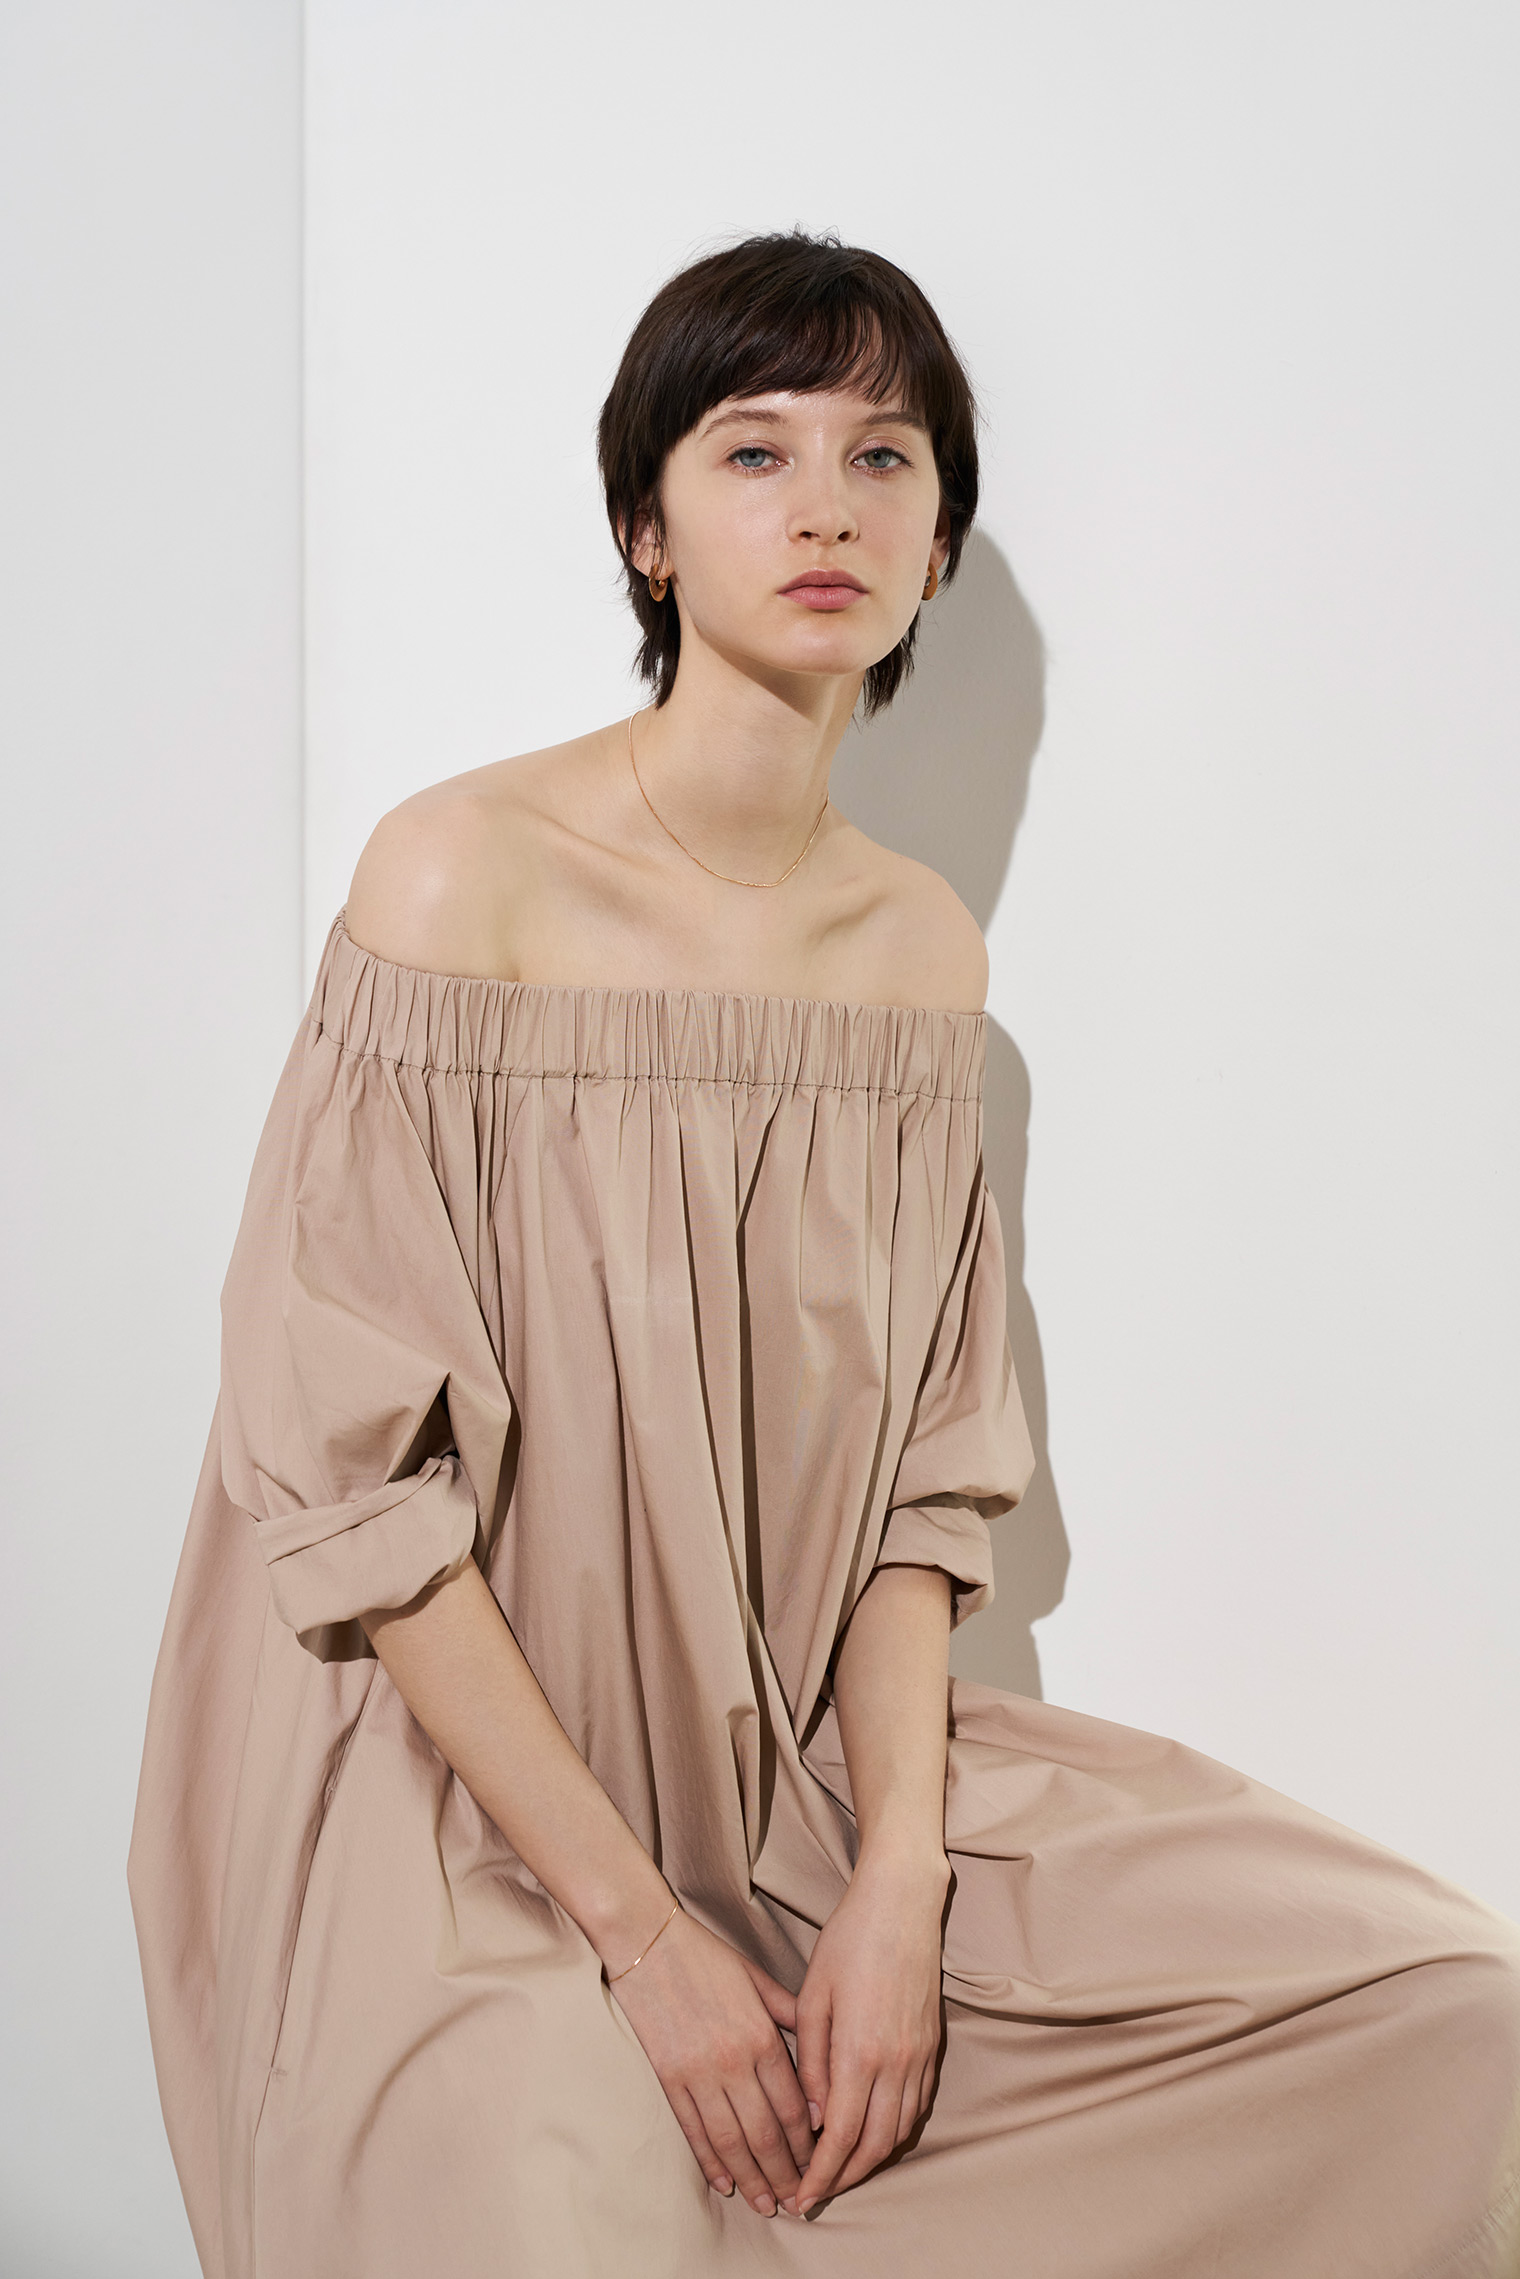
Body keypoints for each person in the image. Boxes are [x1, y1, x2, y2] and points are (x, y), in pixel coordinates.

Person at [128, 231, 1520, 2279]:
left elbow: (914, 1500)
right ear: (647, 529)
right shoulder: (458, 880)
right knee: (559, 2220)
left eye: (884, 459)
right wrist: (642, 1938)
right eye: (754, 450)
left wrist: (895, 1890)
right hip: (455, 1789)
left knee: (1443, 2015)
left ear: (937, 546)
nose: (826, 509)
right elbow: (347, 1481)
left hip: (795, 1772)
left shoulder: (917, 956)